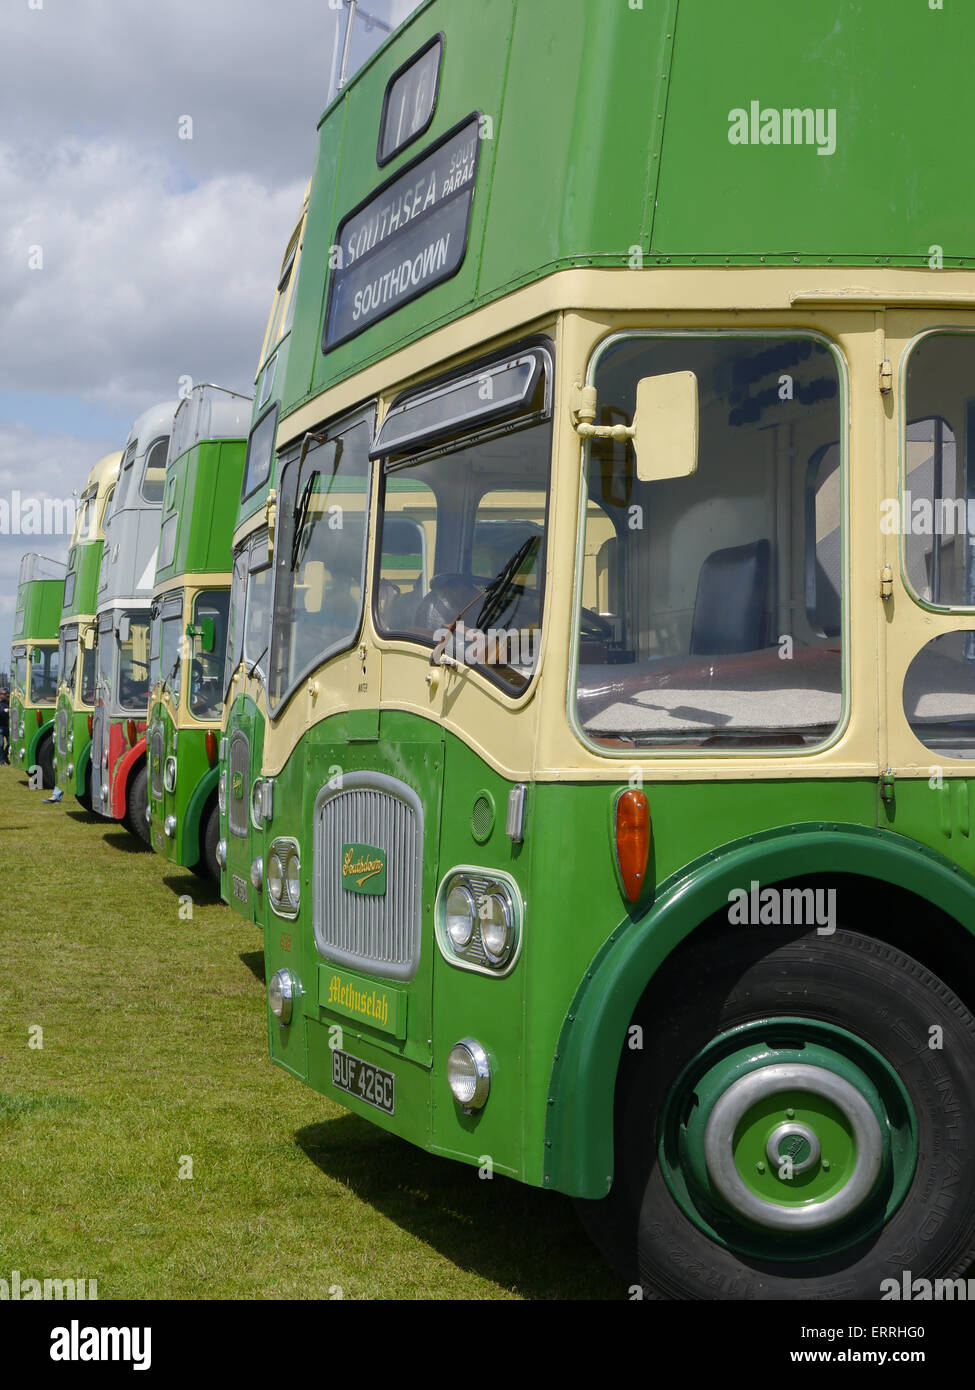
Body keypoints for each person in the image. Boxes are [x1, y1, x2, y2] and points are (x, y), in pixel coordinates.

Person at [0, 688, 9, 764]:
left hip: (7, 726)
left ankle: (5, 756)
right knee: (1, 744)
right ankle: (1, 760)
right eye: (4, 694)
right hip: (0, 727)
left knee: (10, 743)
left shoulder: (8, 702)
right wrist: (3, 711)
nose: (6, 695)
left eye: (6, 693)